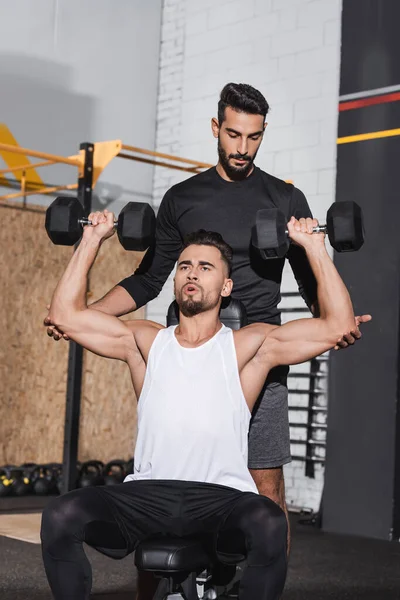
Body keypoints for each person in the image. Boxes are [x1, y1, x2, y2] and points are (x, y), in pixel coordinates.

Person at [45, 82, 369, 538]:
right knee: (164, 479)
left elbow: (308, 281)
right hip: (189, 352)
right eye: (234, 134)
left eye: (254, 137)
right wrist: (87, 316)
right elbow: (148, 279)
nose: (243, 148)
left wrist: (335, 325)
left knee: (266, 489)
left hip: (259, 352)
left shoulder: (285, 198)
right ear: (216, 127)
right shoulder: (182, 197)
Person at [42, 209, 357, 600]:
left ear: (226, 287)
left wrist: (313, 246)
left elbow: (339, 326)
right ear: (175, 280)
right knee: (60, 515)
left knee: (270, 521)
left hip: (219, 498)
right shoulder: (144, 341)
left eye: (205, 267)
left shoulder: (247, 346)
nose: (192, 273)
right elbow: (64, 316)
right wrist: (91, 239)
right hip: (148, 494)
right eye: (184, 266)